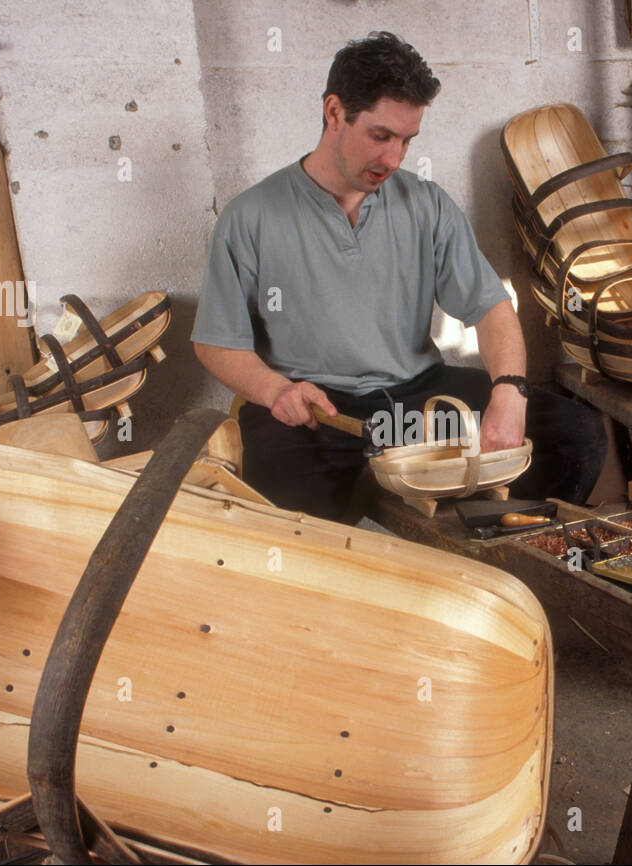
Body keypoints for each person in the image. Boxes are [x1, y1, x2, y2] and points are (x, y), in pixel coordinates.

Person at [192, 31, 605, 523]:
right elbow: (217, 343)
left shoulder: (427, 205)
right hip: (316, 410)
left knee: (574, 433)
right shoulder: (251, 216)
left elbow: (491, 308)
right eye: (381, 136)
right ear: (334, 113)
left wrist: (509, 390)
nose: (393, 159)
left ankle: (499, 555)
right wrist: (274, 391)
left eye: (407, 141)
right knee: (292, 523)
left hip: (416, 400)